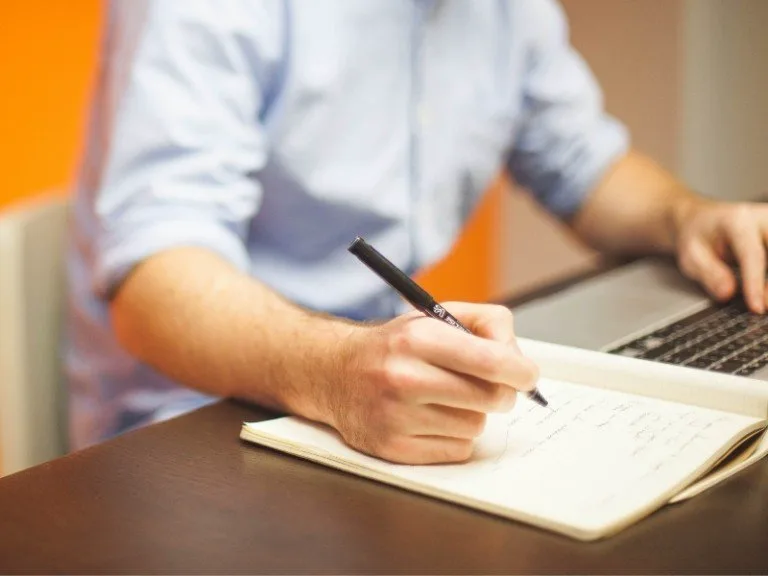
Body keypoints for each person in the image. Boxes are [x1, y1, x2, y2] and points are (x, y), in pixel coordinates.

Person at [66, 0, 768, 463]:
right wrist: (335, 374)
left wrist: (687, 217)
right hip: (196, 423)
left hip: (374, 391)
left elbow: (581, 163)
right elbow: (154, 279)